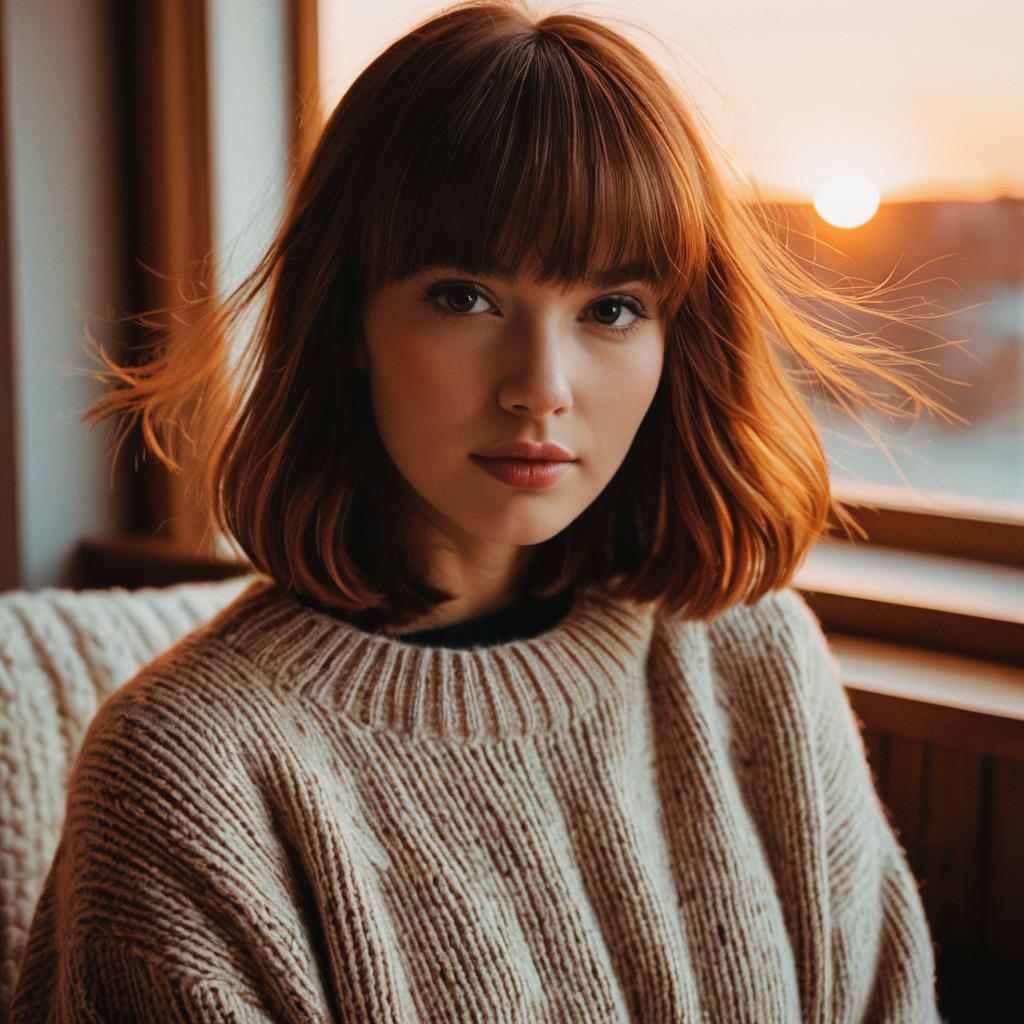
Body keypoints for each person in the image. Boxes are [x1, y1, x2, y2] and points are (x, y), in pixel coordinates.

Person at [11, 1, 948, 1020]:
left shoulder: (754, 658)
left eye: (612, 308)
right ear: (348, 317)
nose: (540, 387)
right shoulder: (186, 773)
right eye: (464, 296)